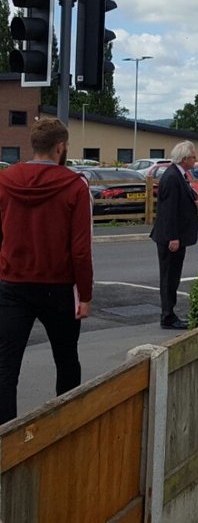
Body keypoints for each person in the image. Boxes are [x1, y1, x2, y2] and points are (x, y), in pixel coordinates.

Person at [0, 117, 93, 424]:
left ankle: (5, 442)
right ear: (60, 147)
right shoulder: (76, 185)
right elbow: (81, 248)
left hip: (12, 285)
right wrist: (85, 295)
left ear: (33, 145)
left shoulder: (5, 180)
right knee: (67, 360)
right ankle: (65, 426)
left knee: (5, 367)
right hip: (58, 288)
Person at [149, 140, 198, 330]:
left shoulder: (179, 175)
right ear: (185, 158)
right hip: (171, 237)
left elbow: (180, 199)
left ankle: (170, 313)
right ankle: (167, 316)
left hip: (177, 234)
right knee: (169, 277)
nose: (195, 160)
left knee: (173, 276)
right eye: (194, 157)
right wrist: (173, 237)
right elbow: (168, 210)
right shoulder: (172, 177)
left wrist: (192, 199)